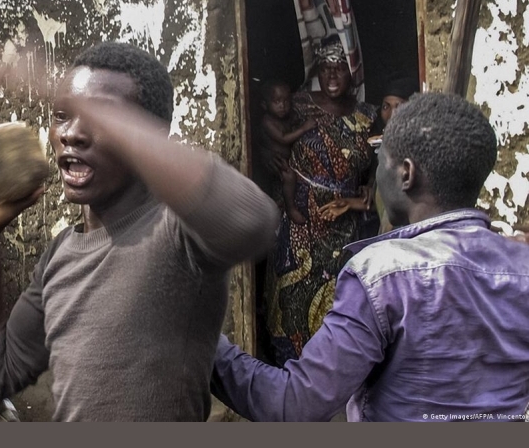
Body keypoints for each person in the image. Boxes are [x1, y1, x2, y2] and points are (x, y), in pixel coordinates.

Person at [0, 42, 280, 421]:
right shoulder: (59, 256)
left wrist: (53, 85)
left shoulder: (177, 233)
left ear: (151, 134)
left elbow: (253, 220)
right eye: (61, 115)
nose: (72, 134)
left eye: (99, 118)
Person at [211, 92, 529, 421]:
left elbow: (294, 404)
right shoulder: (522, 265)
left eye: (381, 158)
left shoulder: (382, 276)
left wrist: (208, 345)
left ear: (407, 174)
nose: (376, 174)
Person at [262, 35, 379, 366]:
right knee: (294, 301)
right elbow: (267, 138)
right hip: (302, 219)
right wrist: (270, 158)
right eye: (326, 68)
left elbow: (381, 160)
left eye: (340, 68)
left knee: (345, 300)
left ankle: (339, 379)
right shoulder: (295, 106)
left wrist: (370, 183)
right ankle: (293, 380)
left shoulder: (367, 116)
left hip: (347, 224)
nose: (331, 76)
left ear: (352, 72)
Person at [318, 76, 420, 234]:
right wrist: (349, 203)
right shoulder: (382, 144)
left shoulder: (416, 149)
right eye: (386, 106)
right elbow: (384, 203)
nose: (392, 114)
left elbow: (405, 202)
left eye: (399, 106)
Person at [258, 79, 317, 225]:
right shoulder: (267, 122)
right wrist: (304, 128)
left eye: (285, 101)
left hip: (289, 159)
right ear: (265, 105)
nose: (282, 106)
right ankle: (291, 209)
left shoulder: (286, 117)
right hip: (278, 162)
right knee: (289, 176)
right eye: (277, 102)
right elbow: (284, 139)